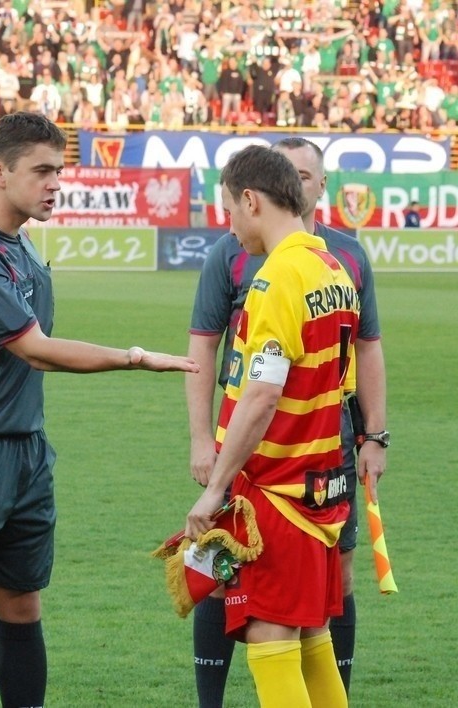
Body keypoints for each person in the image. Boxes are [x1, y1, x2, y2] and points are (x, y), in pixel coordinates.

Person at [0, 112, 199, 708]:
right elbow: (35, 349)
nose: (55, 183)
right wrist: (135, 357)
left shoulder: (23, 245)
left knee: (22, 602)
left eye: (59, 170)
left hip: (24, 448)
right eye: (42, 171)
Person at [186, 139, 387, 707]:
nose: (230, 228)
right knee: (314, 637)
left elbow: (261, 397)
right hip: (324, 488)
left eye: (229, 210)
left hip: (279, 493)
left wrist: (218, 487)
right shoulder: (332, 268)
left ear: (251, 201)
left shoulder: (276, 280)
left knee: (269, 633)